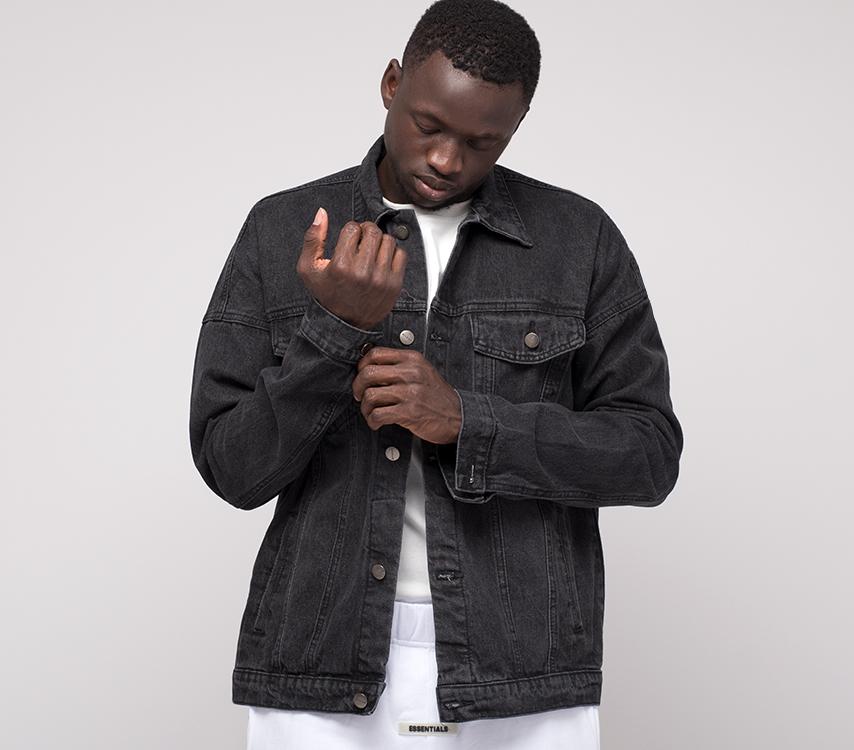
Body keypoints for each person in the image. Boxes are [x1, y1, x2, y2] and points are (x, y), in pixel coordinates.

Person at [188, 0, 683, 747]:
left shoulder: (577, 240)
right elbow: (233, 469)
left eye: (483, 142)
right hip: (319, 658)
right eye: (429, 126)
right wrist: (335, 332)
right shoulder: (282, 230)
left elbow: (649, 456)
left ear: (517, 124)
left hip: (522, 665)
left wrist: (469, 423)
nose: (448, 160)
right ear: (392, 83)